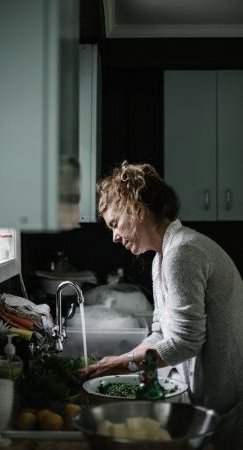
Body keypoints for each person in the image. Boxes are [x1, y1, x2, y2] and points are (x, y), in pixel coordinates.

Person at [80, 161, 243, 450]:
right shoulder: (162, 257)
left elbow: (185, 342)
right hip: (202, 398)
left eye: (115, 223)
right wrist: (126, 359)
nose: (115, 236)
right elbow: (160, 333)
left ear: (137, 210)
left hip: (227, 401)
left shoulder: (183, 252)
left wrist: (122, 363)